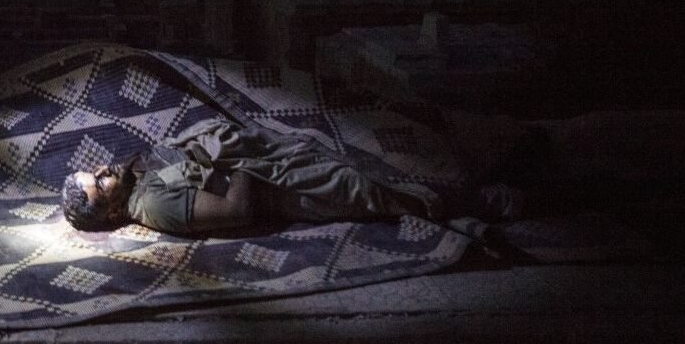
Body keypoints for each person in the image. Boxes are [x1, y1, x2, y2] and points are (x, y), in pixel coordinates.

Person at [62, 117, 531, 236]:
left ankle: (504, 180)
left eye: (97, 171)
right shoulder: (154, 206)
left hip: (288, 165)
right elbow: (237, 210)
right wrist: (227, 155)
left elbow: (155, 161)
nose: (104, 170)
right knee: (396, 193)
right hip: (295, 189)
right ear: (110, 212)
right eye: (98, 183)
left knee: (405, 168)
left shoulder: (137, 182)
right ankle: (505, 202)